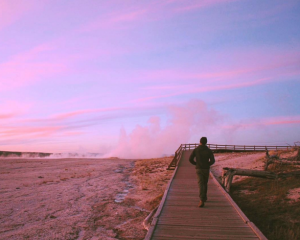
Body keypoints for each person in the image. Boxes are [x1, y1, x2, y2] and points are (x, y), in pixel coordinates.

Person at [189, 137, 215, 207]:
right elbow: (212, 161)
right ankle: (204, 197)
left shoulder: (196, 150)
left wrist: (196, 164)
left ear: (200, 142)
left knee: (200, 184)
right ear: (206, 142)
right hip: (206, 169)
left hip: (199, 169)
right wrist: (208, 164)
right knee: (205, 183)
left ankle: (201, 200)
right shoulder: (209, 150)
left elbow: (190, 159)